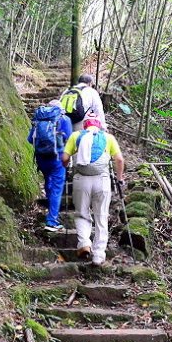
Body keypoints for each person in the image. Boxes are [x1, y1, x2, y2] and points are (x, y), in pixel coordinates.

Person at [61, 113, 125, 265]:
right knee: (101, 217)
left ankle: (84, 243)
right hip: (102, 181)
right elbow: (120, 159)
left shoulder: (76, 136)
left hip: (81, 180)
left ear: (85, 125)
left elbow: (64, 158)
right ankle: (98, 255)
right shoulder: (108, 138)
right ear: (99, 125)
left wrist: (67, 168)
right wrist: (120, 178)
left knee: (82, 214)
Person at [28, 99, 72, 232]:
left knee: (48, 181)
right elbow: (70, 139)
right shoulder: (64, 119)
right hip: (57, 158)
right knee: (57, 189)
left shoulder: (39, 120)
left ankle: (49, 205)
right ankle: (52, 221)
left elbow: (30, 139)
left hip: (41, 158)